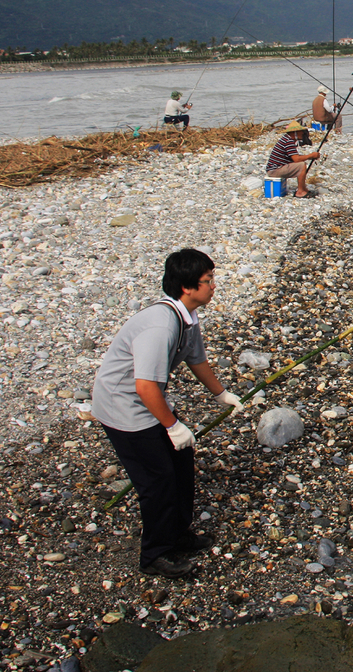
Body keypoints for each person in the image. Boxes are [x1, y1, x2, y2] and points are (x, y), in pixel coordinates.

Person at [90, 248, 242, 579]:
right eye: (208, 280)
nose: (213, 286)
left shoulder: (187, 317)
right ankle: (155, 554)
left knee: (181, 463)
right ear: (187, 287)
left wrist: (222, 394)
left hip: (146, 400)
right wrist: (173, 426)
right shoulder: (160, 327)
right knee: (157, 479)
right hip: (123, 406)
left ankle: (178, 533)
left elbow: (196, 359)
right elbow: (145, 387)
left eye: (212, 278)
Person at [266, 119, 320, 199]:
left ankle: (304, 189)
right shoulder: (288, 141)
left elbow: (294, 156)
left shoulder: (287, 139)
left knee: (300, 164)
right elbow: (296, 159)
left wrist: (309, 156)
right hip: (275, 170)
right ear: (294, 133)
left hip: (275, 168)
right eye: (300, 131)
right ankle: (300, 192)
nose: (302, 133)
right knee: (301, 165)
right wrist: (311, 156)